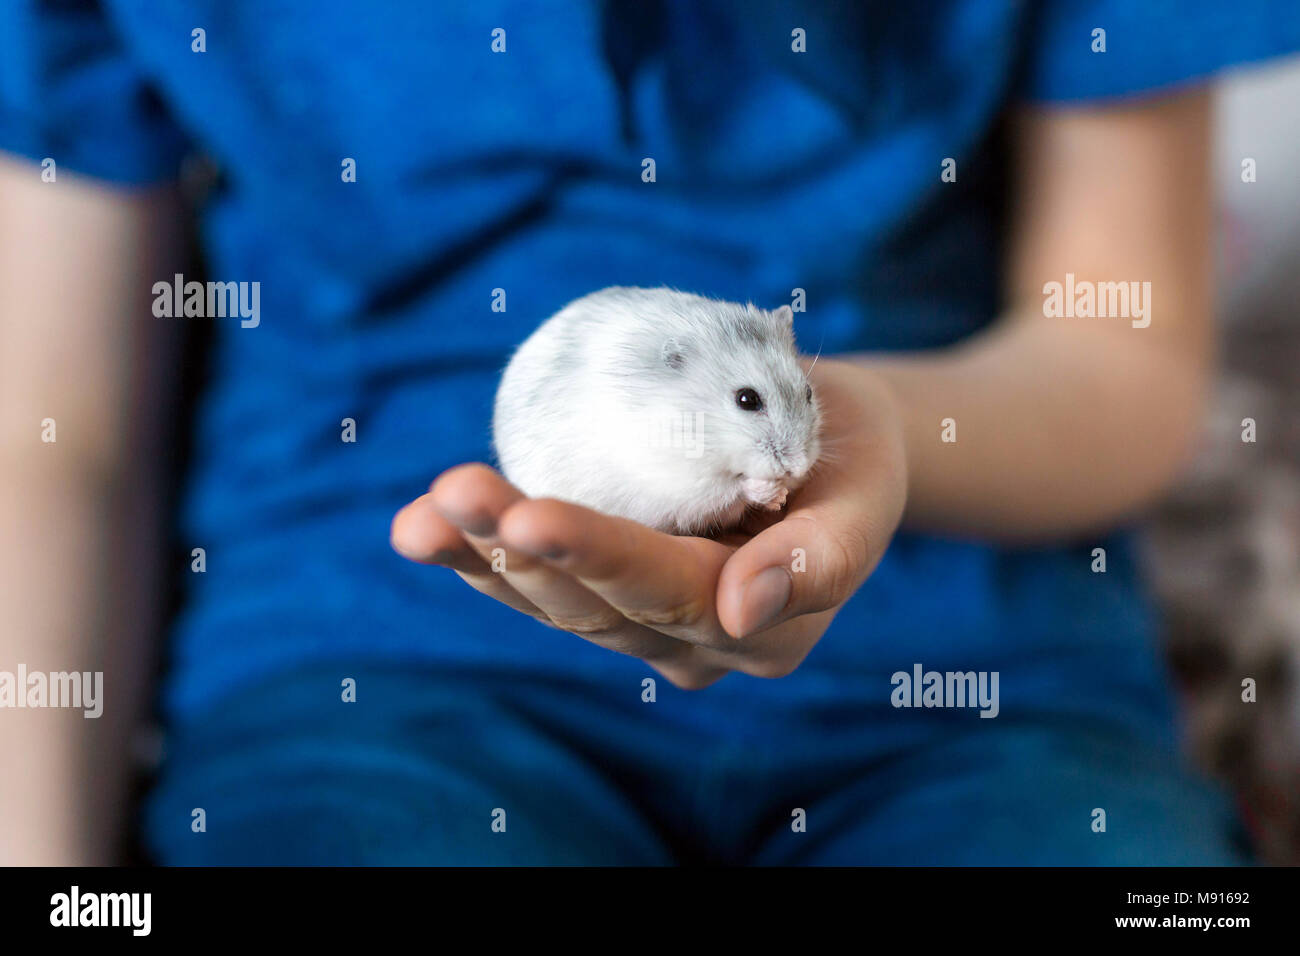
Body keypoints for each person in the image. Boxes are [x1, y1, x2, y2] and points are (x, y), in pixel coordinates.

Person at [2, 2, 1296, 865]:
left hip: (987, 683)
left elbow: (1118, 359)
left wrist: (877, 429)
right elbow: (53, 438)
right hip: (368, 660)